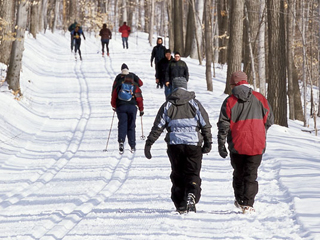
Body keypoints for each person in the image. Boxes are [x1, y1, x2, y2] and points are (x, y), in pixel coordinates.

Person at [144, 77, 212, 214]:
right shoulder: (195, 103)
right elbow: (205, 124)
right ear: (185, 86)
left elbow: (158, 127)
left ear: (173, 87)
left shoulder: (168, 105)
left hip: (175, 145)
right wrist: (208, 142)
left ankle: (180, 203)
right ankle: (192, 194)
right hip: (193, 144)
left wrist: (149, 143)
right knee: (193, 172)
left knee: (178, 174)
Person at [217, 71, 274, 214]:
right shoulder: (260, 98)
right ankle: (248, 204)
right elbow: (270, 120)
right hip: (257, 143)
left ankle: (240, 199)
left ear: (233, 84)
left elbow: (223, 124)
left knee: (238, 173)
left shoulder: (229, 101)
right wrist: (261, 130)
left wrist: (221, 143)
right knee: (251, 174)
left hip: (237, 144)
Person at [111, 63, 144, 153]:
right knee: (131, 126)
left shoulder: (118, 80)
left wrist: (114, 105)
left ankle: (121, 141)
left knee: (122, 124)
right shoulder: (133, 83)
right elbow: (139, 97)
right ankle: (132, 146)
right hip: (132, 106)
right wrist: (141, 109)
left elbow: (114, 93)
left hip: (121, 106)